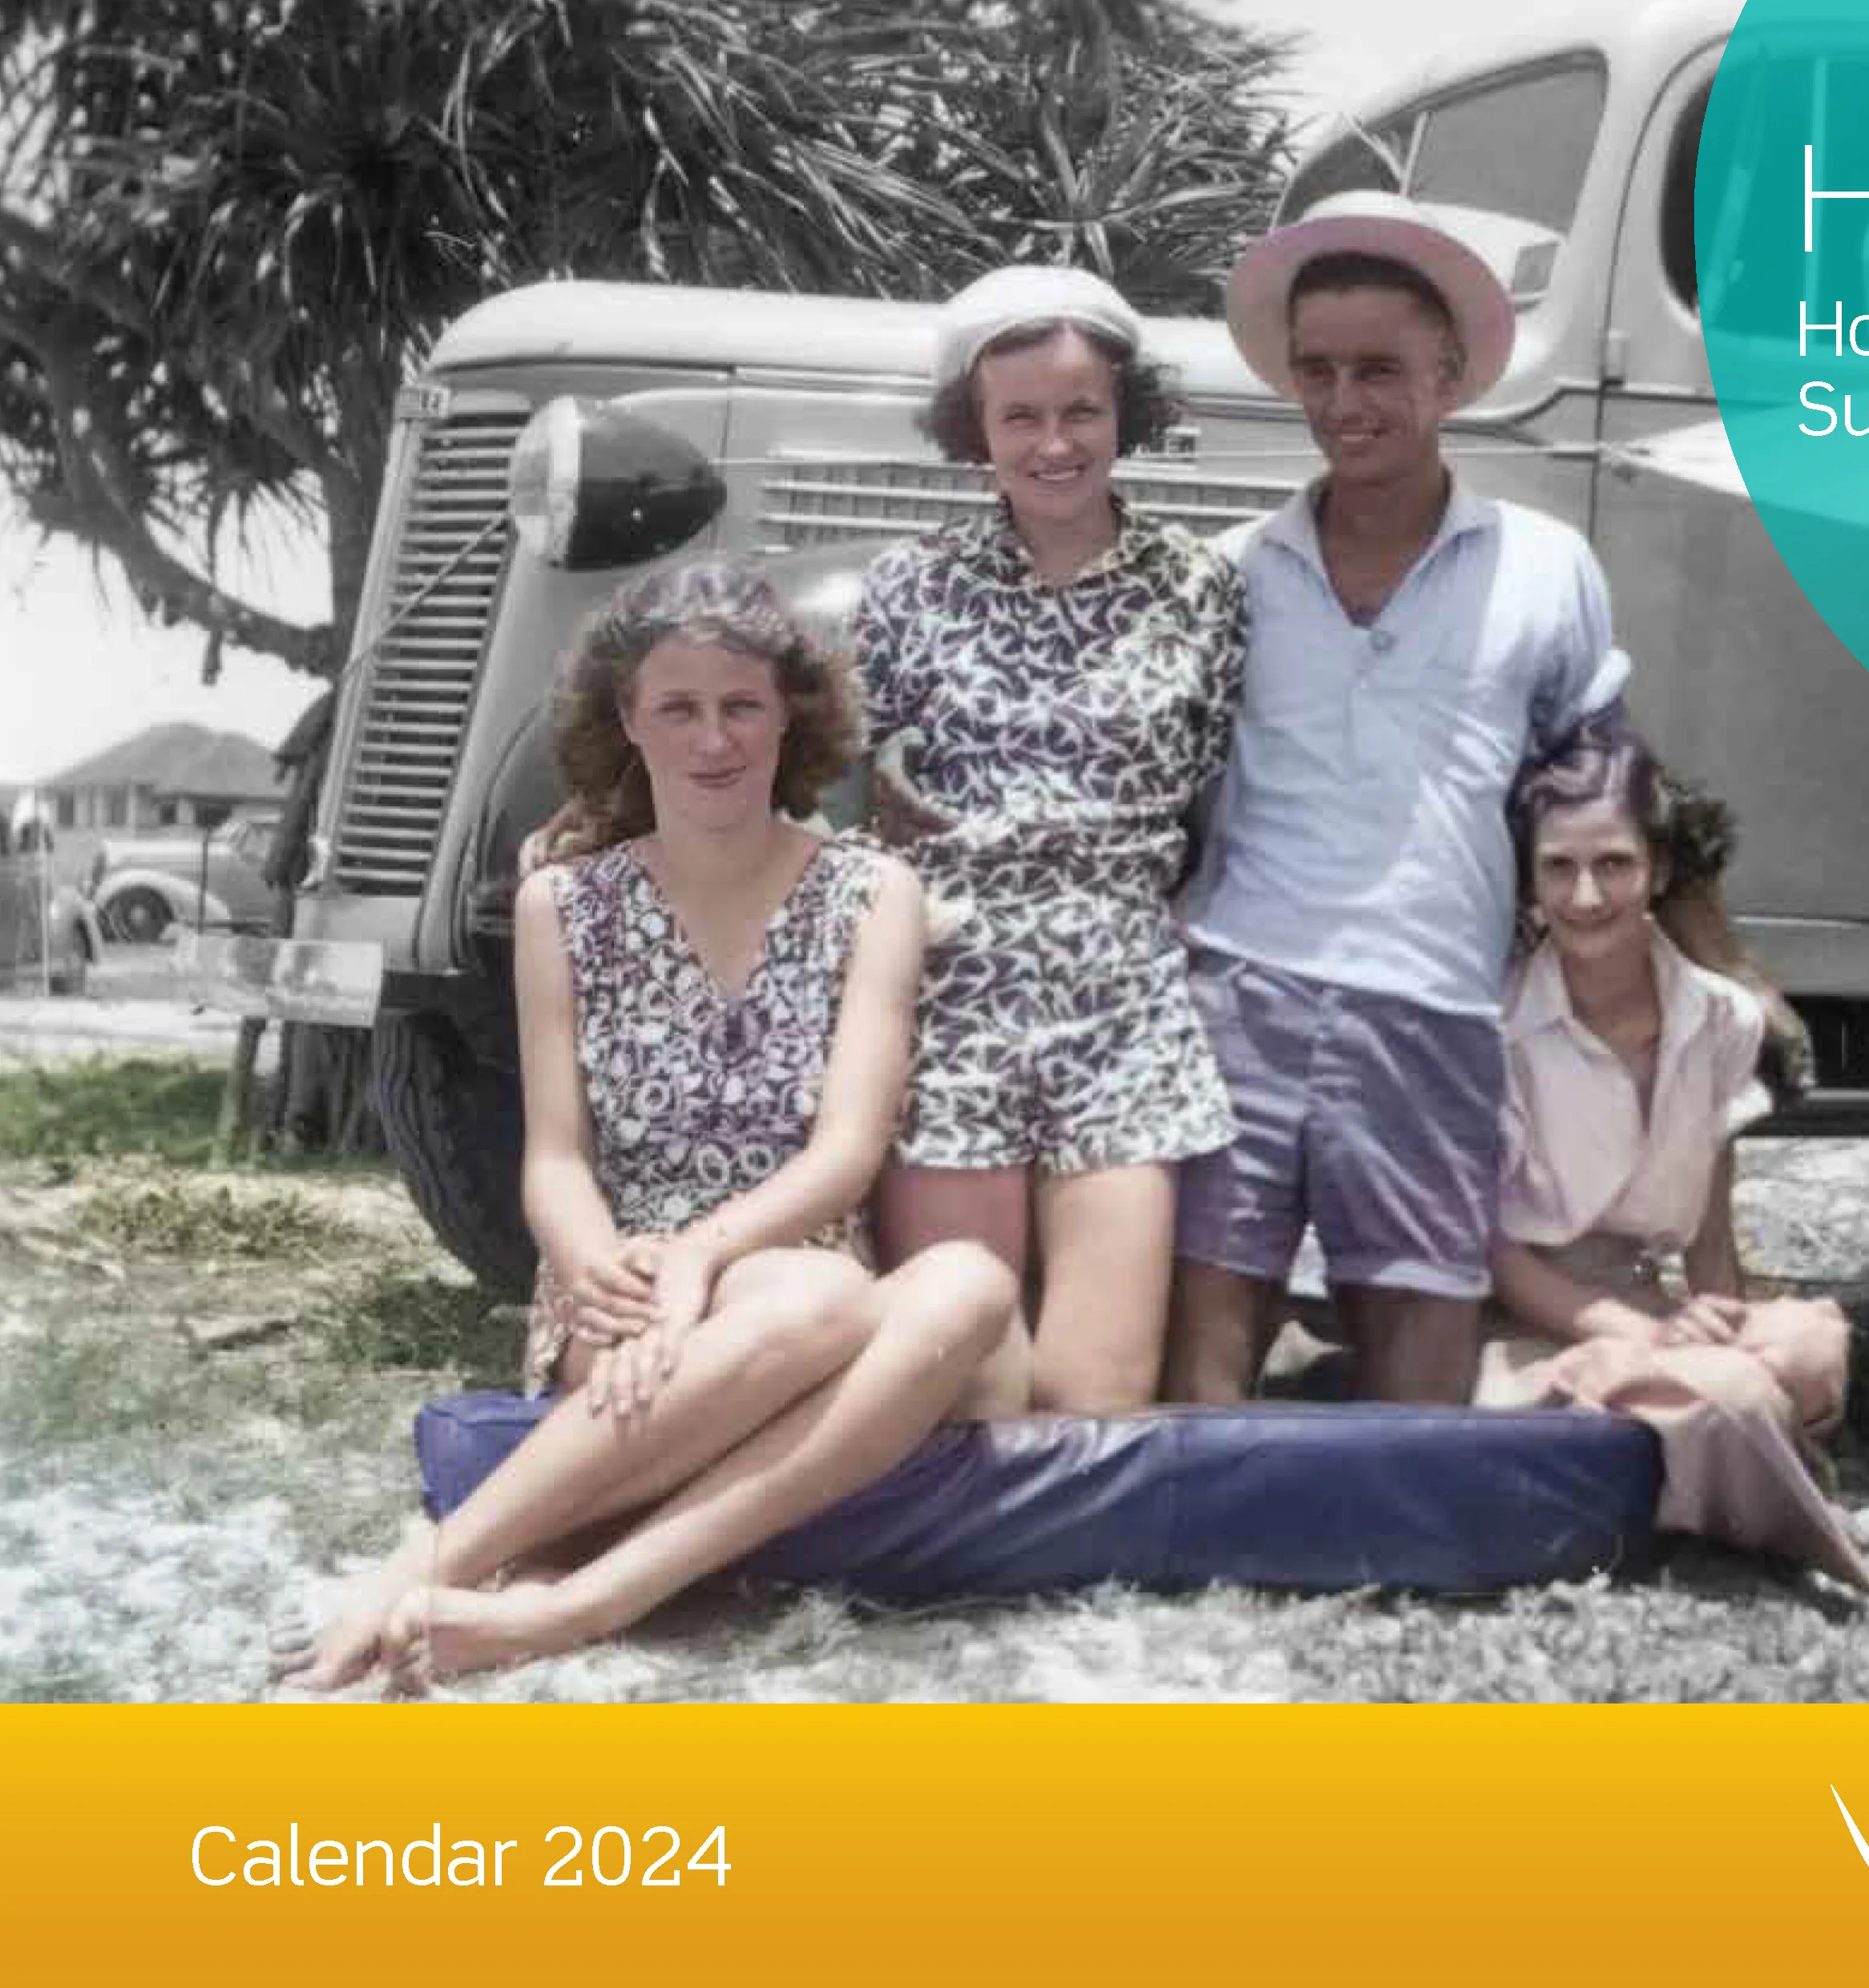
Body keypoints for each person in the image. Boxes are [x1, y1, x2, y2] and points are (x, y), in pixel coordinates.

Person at [276, 560, 1021, 1688]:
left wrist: (705, 1260)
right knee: (823, 1307)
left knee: (965, 1282)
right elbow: (557, 1158)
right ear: (628, 719)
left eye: (742, 706)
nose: (713, 739)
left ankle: (559, 1595)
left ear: (792, 716)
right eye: (678, 707)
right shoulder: (562, 903)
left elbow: (848, 1151)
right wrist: (601, 1267)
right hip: (617, 1273)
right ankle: (448, 1563)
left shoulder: (874, 891)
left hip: (795, 1248)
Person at [1163, 192, 1632, 1406]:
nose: (1345, 402)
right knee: (1205, 1348)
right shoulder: (1231, 571)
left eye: (1380, 368)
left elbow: (1600, 782)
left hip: (1433, 1004)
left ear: (1452, 375)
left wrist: (1707, 974)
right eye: (1316, 371)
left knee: (1420, 1377)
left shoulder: (1544, 564)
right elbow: (1175, 797)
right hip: (1240, 994)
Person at [854, 265, 1245, 1414]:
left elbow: (1218, 800)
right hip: (952, 997)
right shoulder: (910, 587)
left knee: (1094, 1398)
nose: (1054, 442)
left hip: (1125, 1005)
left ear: (1128, 412)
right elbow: (816, 770)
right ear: (975, 429)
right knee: (969, 1375)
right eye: (1019, 415)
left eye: (1081, 410)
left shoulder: (1200, 586)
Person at [1483, 725, 1867, 1587]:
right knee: (1729, 1401)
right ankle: (1778, 1509)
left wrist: (1714, 1323)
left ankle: (1699, 1447)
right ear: (1530, 882)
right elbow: (1498, 1260)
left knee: (1807, 1348)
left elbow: (1709, 1232)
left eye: (1613, 865)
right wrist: (1652, 1335)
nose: (1586, 896)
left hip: (1642, 1300)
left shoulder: (1724, 1020)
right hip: (1530, 1324)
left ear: (1657, 870)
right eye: (1558, 869)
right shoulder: (1500, 1028)